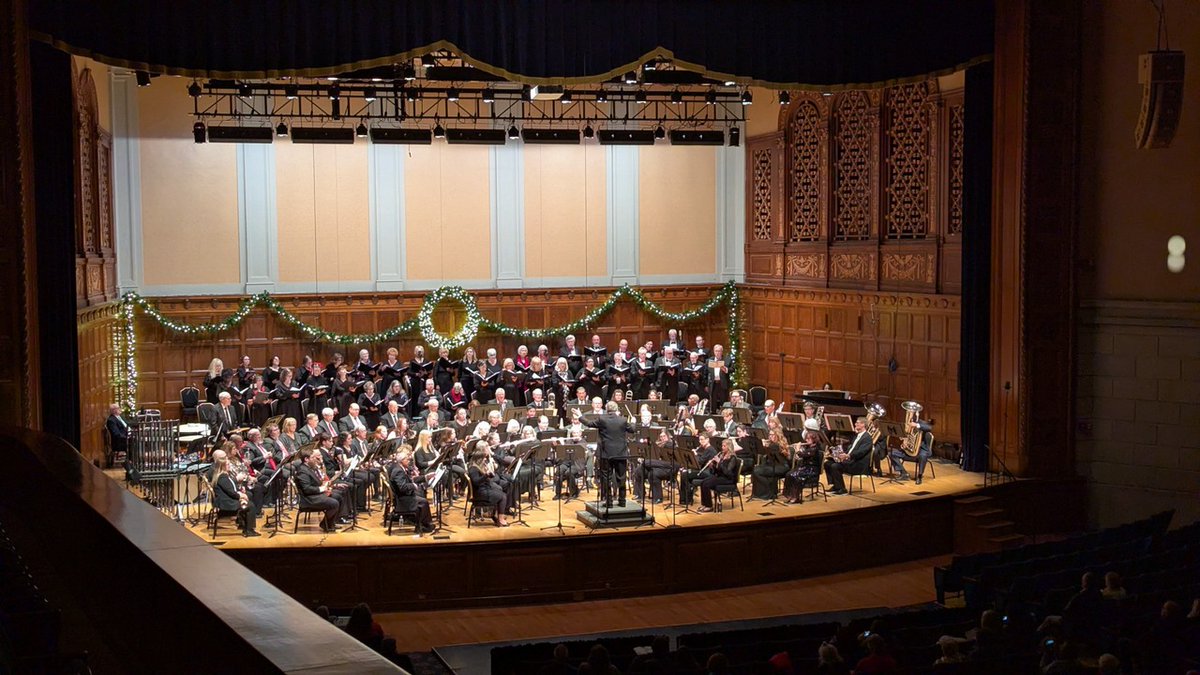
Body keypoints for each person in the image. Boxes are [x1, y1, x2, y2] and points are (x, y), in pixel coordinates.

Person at [581, 402, 637, 508]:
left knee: (606, 478)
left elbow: (589, 424)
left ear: (606, 409)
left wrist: (580, 416)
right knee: (621, 477)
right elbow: (632, 430)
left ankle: (609, 501)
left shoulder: (602, 419)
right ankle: (622, 500)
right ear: (616, 409)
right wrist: (633, 422)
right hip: (621, 454)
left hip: (606, 454)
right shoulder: (623, 420)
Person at [210, 448, 259, 537]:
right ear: (223, 466)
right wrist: (241, 496)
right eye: (228, 465)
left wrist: (240, 492)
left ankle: (244, 525)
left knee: (248, 501)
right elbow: (231, 493)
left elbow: (231, 488)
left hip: (227, 500)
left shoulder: (224, 475)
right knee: (250, 506)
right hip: (226, 504)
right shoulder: (222, 477)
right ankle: (249, 530)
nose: (230, 466)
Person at [387, 447, 434, 532]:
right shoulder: (398, 471)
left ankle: (424, 524)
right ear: (402, 460)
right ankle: (424, 526)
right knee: (423, 502)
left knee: (422, 498)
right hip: (402, 501)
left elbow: (411, 480)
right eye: (407, 460)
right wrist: (414, 486)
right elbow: (402, 487)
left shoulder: (401, 468)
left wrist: (426, 477)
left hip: (404, 497)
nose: (409, 461)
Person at [823, 418, 873, 495]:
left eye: (857, 423)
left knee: (835, 466)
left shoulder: (867, 438)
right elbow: (851, 449)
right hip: (850, 460)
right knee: (828, 463)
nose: (855, 424)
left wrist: (848, 456)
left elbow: (861, 452)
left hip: (858, 464)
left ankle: (842, 489)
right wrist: (838, 453)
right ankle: (836, 486)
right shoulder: (857, 436)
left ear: (863, 424)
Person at [466, 441, 509, 526]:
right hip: (480, 493)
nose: (485, 460)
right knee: (503, 497)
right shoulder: (473, 469)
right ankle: (500, 519)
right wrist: (486, 476)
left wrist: (488, 474)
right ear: (479, 459)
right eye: (483, 459)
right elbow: (476, 482)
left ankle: (495, 514)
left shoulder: (477, 466)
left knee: (500, 490)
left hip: (483, 489)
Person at [750, 428, 789, 500]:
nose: (769, 436)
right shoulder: (773, 444)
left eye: (772, 435)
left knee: (757, 471)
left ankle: (766, 493)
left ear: (777, 436)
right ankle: (764, 492)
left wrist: (764, 447)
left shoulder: (776, 445)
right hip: (774, 465)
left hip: (781, 467)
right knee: (756, 469)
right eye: (769, 434)